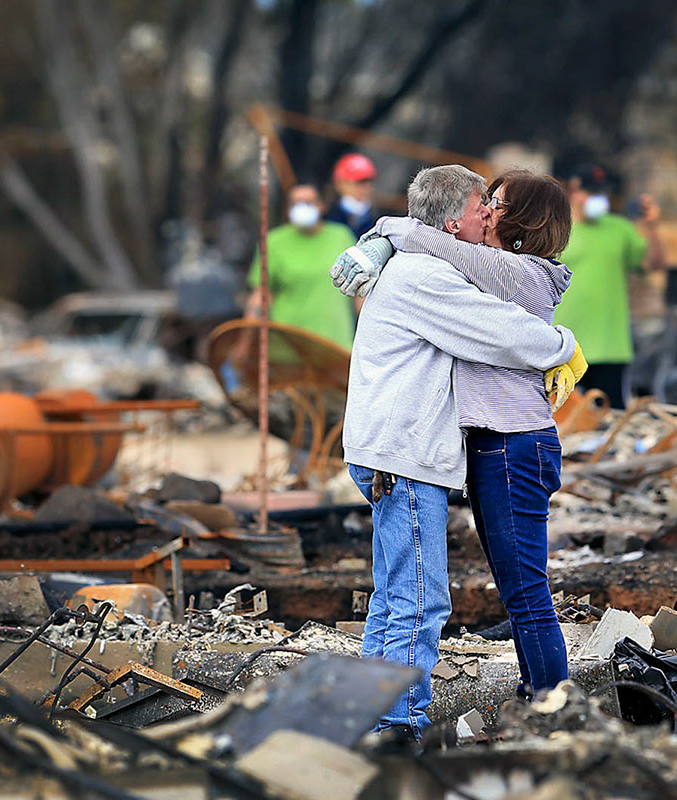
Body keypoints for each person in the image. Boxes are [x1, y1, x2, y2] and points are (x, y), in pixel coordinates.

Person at [335, 165, 583, 743]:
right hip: (405, 455)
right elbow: (500, 332)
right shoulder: (429, 277)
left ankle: (384, 718)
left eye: (498, 206)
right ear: (454, 221)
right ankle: (397, 725)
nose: (488, 216)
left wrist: (379, 239)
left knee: (404, 596)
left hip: (433, 451)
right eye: (483, 206)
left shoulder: (500, 271)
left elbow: (498, 316)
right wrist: (566, 346)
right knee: (418, 600)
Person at [553, 163, 666, 407]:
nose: (598, 199)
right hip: (563, 346)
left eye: (601, 193)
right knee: (563, 424)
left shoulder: (620, 229)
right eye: (592, 192)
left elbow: (654, 264)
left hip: (610, 347)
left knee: (611, 422)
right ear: (574, 191)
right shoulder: (556, 229)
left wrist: (653, 227)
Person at [247, 184, 357, 348]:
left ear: (322, 206)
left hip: (336, 345)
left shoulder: (342, 236)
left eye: (309, 202)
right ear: (288, 209)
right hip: (288, 346)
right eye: (296, 203)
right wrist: (245, 341)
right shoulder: (274, 242)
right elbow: (261, 297)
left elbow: (359, 293)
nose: (303, 208)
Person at [325, 153, 378, 237]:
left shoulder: (379, 223)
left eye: (369, 183)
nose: (365, 189)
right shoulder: (327, 219)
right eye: (359, 183)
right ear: (340, 184)